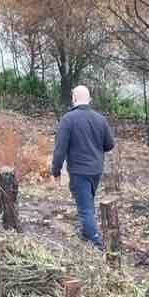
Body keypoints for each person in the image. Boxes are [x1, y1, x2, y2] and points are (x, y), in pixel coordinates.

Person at [51, 86, 116, 248]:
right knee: (88, 203)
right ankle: (86, 233)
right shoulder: (100, 119)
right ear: (89, 99)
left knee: (85, 209)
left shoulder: (68, 119)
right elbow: (109, 145)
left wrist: (56, 171)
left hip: (79, 171)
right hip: (96, 170)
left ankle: (98, 244)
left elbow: (60, 149)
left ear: (73, 98)